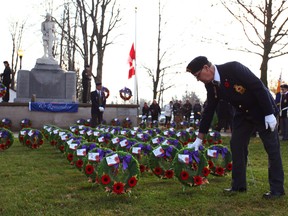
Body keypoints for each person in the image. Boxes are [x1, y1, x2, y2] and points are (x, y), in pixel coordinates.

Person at [186, 56, 285, 199]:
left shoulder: (233, 68)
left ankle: (277, 190)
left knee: (272, 147)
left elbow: (258, 87)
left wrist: (269, 113)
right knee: (236, 145)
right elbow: (209, 110)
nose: (198, 79)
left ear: (206, 68)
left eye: (197, 75)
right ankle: (238, 185)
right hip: (242, 114)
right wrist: (199, 139)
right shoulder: (211, 85)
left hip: (261, 110)